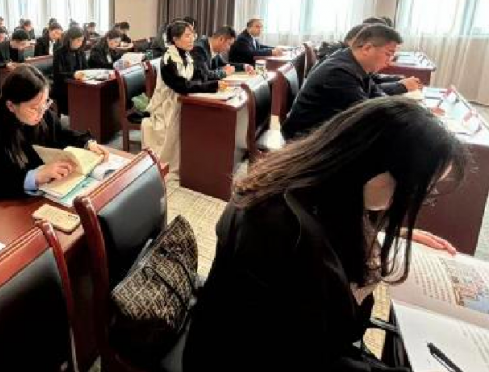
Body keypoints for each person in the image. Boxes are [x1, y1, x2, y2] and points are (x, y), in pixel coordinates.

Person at [184, 97, 467, 372]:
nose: (412, 200)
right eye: (417, 188)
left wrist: (377, 236)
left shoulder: (307, 185)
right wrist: (361, 276)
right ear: (377, 169)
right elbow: (316, 350)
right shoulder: (285, 230)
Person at [0, 65, 107, 203]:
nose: (41, 113)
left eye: (45, 103)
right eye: (34, 108)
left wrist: (86, 143)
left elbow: (61, 134)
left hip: (41, 193)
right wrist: (35, 177)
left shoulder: (42, 110)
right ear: (11, 106)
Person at [283, 24, 407, 140]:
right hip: (306, 142)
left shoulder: (352, 62)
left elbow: (377, 95)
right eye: (388, 54)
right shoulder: (338, 73)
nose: (389, 62)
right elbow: (367, 114)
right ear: (367, 48)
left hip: (326, 134)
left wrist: (402, 106)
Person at [142, 21, 224, 176]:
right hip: (167, 104)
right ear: (175, 39)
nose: (192, 39)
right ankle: (178, 165)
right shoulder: (168, 59)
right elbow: (181, 86)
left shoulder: (187, 55)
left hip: (182, 99)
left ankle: (200, 160)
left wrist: (213, 83)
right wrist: (211, 86)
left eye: (192, 35)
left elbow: (198, 77)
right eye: (187, 35)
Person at [52, 27, 88, 115]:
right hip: (64, 85)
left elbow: (86, 68)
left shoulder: (80, 52)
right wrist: (73, 75)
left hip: (78, 83)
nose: (80, 43)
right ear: (70, 39)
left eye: (82, 40)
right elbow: (58, 74)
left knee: (90, 94)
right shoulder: (59, 53)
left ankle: (85, 117)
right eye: (78, 40)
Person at [0, 28, 28, 93]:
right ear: (15, 41)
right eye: (22, 44)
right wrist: (5, 65)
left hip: (15, 75)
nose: (23, 46)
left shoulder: (20, 49)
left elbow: (21, 62)